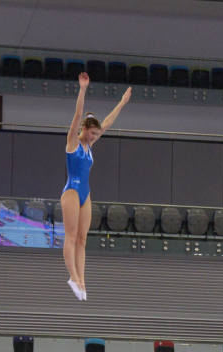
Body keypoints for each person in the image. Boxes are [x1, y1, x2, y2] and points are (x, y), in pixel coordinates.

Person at [61, 72, 132, 301]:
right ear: (83, 130)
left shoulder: (91, 144)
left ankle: (82, 280)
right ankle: (72, 277)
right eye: (92, 133)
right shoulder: (73, 141)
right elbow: (78, 114)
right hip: (71, 191)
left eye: (96, 134)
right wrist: (83, 89)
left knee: (82, 239)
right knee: (71, 236)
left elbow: (108, 122)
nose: (94, 137)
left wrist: (121, 102)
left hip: (85, 194)